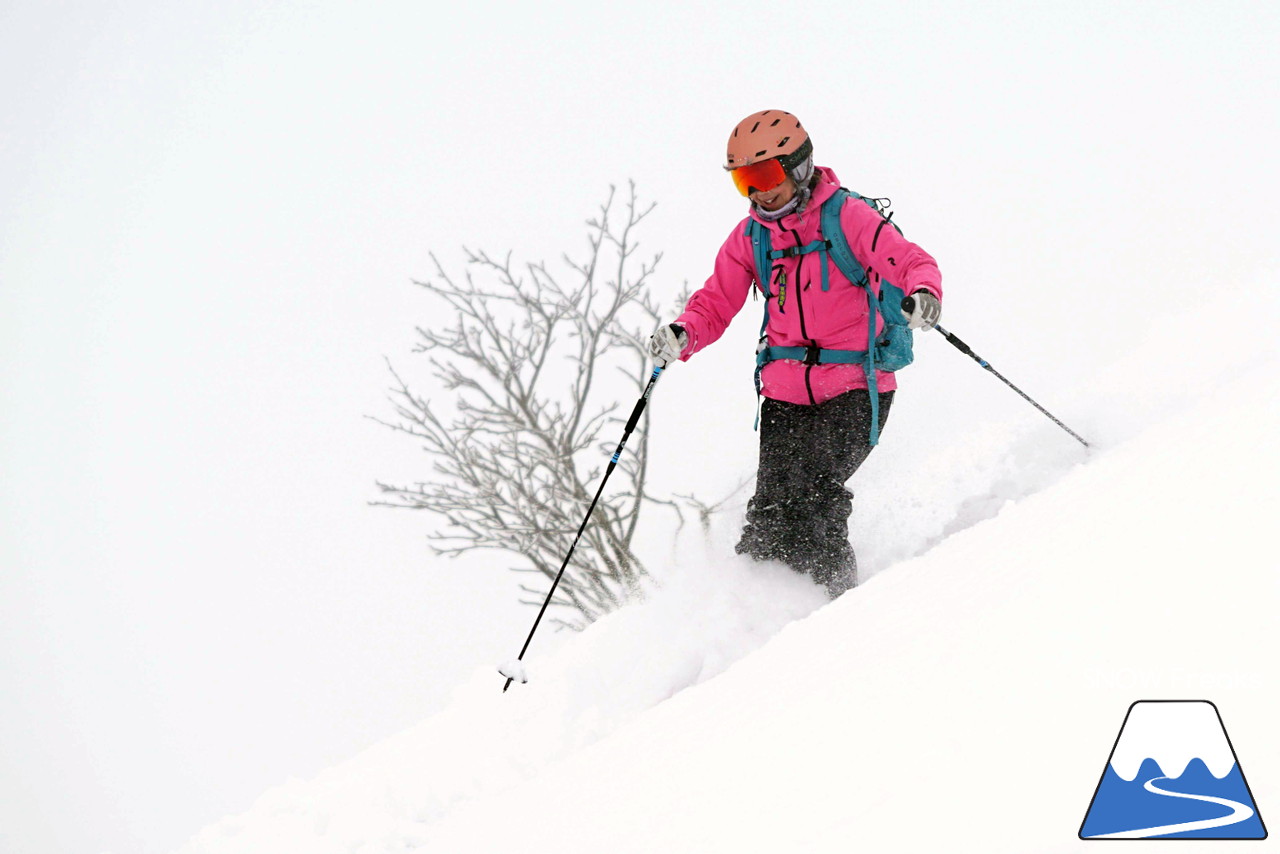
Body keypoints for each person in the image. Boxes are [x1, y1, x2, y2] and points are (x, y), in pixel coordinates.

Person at [648, 109, 943, 598]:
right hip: (785, 394)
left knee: (817, 498)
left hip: (855, 386)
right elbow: (717, 300)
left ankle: (829, 611)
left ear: (798, 166)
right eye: (744, 180)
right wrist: (684, 334)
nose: (757, 192)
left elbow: (910, 260)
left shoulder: (847, 216)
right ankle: (753, 615)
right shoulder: (752, 237)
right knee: (769, 511)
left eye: (763, 175)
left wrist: (924, 292)